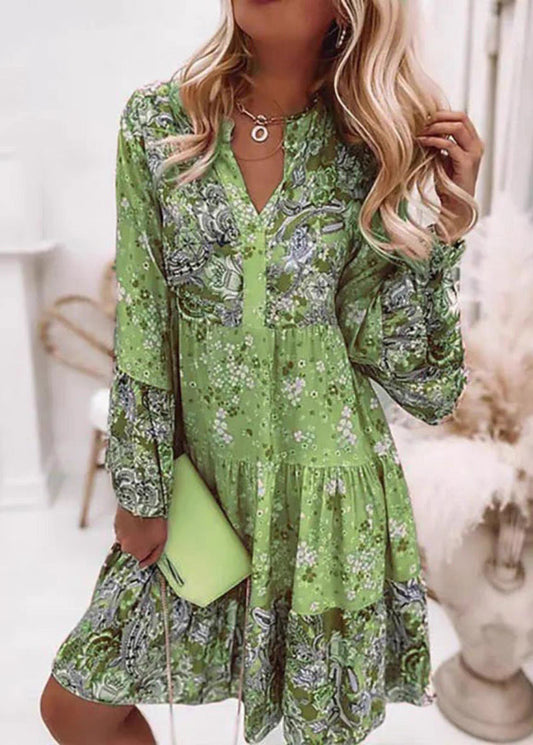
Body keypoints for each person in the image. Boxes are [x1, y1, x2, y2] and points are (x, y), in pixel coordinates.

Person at [40, 1, 484, 744]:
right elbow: (142, 323)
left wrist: (448, 222)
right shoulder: (158, 122)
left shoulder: (371, 145)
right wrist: (140, 489)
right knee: (75, 708)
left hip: (324, 502)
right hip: (200, 490)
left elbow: (425, 385)